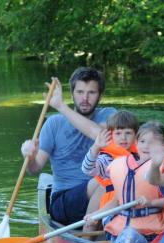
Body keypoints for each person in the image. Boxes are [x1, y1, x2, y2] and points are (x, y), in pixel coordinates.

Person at [21, 67, 116, 225]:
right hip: (64, 201)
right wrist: (30, 157)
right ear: (71, 94)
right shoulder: (54, 123)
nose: (85, 98)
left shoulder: (110, 116)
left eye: (91, 93)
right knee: (104, 182)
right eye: (79, 92)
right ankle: (89, 232)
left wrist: (61, 107)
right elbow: (34, 169)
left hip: (105, 198)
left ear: (100, 96)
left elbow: (98, 134)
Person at [87, 121, 164, 243]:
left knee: (129, 237)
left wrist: (151, 203)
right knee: (126, 236)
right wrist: (97, 214)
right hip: (121, 229)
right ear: (136, 144)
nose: (146, 146)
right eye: (142, 141)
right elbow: (116, 202)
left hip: (152, 232)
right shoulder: (124, 166)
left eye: (153, 143)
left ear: (162, 145)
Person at [81, 110, 139, 210]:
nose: (123, 138)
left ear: (135, 135)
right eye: (118, 133)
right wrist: (95, 147)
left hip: (135, 202)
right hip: (109, 207)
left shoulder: (141, 155)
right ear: (111, 135)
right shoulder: (106, 159)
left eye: (128, 133)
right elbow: (87, 169)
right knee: (90, 225)